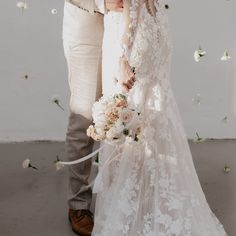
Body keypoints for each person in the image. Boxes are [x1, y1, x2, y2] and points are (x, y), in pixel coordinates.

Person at [91, 0, 228, 235]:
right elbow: (126, 25)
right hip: (139, 54)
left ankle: (144, 207)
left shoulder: (150, 10)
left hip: (153, 77)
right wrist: (122, 59)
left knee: (146, 139)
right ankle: (136, 208)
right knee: (132, 138)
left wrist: (125, 58)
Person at [62, 1, 135, 235]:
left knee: (126, 114)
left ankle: (120, 195)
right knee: (84, 117)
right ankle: (78, 205)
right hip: (87, 29)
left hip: (128, 29)